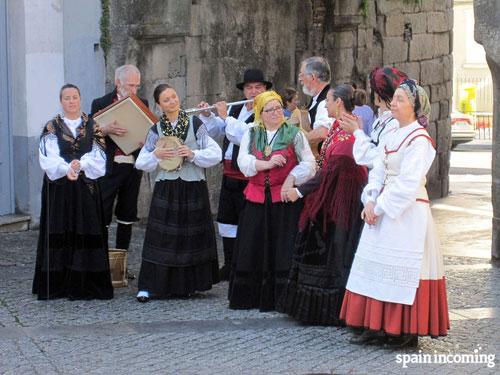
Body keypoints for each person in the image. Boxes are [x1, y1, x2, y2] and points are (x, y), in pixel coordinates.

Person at [339, 80, 450, 347]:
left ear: (414, 106)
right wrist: (370, 199)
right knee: (376, 268)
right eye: (395, 98)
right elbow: (378, 168)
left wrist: (379, 207)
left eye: (400, 99)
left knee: (403, 270)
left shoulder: (420, 140)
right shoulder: (392, 135)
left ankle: (402, 329)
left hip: (406, 214)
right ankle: (376, 325)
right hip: (382, 209)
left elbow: (409, 182)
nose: (394, 103)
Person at [277, 84, 368, 325]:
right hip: (330, 196)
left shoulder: (349, 133)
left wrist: (299, 190)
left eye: (328, 100)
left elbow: (331, 171)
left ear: (339, 102)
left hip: (342, 203)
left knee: (337, 251)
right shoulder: (340, 127)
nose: (325, 105)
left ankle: (337, 308)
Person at [228, 91, 316, 311]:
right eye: (270, 109)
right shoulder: (252, 132)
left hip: (283, 199)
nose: (276, 113)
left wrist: (291, 178)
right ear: (261, 113)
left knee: (283, 247)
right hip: (257, 196)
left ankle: (283, 298)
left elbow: (309, 163)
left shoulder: (295, 134)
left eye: (278, 108)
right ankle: (252, 296)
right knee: (253, 245)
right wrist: (265, 164)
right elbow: (243, 161)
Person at [135, 83, 222, 302]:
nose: (172, 101)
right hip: (167, 186)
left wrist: (192, 154)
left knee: (190, 238)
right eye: (166, 99)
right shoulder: (156, 130)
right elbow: (141, 162)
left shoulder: (194, 123)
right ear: (159, 105)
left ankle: (188, 285)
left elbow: (215, 153)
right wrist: (155, 154)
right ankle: (151, 286)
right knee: (161, 238)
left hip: (193, 185)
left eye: (174, 97)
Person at [33, 84, 113, 300]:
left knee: (86, 228)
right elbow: (47, 157)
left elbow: (99, 155)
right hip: (59, 187)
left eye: (74, 97)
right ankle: (58, 284)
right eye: (67, 98)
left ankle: (86, 284)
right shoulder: (51, 127)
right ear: (61, 101)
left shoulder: (92, 125)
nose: (71, 101)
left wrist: (80, 164)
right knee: (60, 227)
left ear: (80, 99)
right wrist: (66, 168)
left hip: (85, 186)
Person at [197, 68, 271, 280]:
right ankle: (230, 264)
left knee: (249, 223)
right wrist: (208, 115)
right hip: (229, 174)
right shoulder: (239, 110)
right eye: (249, 88)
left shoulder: (266, 111)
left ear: (265, 89)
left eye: (258, 87)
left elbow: (243, 136)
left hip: (249, 177)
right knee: (227, 222)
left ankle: (248, 266)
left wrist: (225, 116)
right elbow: (217, 131)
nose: (253, 91)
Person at [90, 64, 149, 266]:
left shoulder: (143, 102)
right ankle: (102, 264)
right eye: (130, 85)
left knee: (127, 214)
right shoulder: (100, 103)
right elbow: (88, 135)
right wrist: (105, 129)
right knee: (103, 213)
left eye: (137, 86)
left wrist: (146, 140)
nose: (134, 91)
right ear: (118, 83)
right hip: (109, 167)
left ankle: (120, 266)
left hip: (132, 168)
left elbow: (148, 132)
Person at [340, 66, 408, 169]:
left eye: (373, 90)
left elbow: (376, 158)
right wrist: (361, 130)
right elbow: (372, 146)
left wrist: (356, 132)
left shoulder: (395, 123)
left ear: (379, 93)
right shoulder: (381, 118)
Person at [298, 57, 335, 148]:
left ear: (312, 77)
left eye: (302, 75)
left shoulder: (325, 102)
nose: (300, 79)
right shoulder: (318, 98)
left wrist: (294, 143)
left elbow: (322, 132)